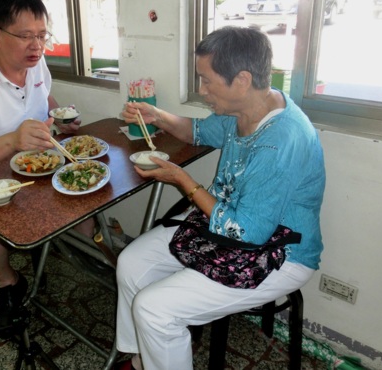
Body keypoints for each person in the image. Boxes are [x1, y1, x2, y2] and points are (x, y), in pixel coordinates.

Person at [114, 26, 325, 370]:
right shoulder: (246, 109)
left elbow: (245, 233)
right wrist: (158, 117)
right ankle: (144, 357)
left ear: (241, 80)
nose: (202, 90)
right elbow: (197, 131)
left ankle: (156, 348)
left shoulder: (280, 140)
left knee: (154, 309)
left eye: (207, 80)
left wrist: (183, 181)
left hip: (279, 251)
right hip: (227, 225)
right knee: (132, 262)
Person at [0, 0, 81, 328]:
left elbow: (45, 96)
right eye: (25, 36)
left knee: (87, 200)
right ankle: (9, 281)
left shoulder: (35, 62)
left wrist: (60, 118)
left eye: (42, 36)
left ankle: (93, 259)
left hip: (42, 162)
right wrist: (12, 139)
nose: (36, 46)